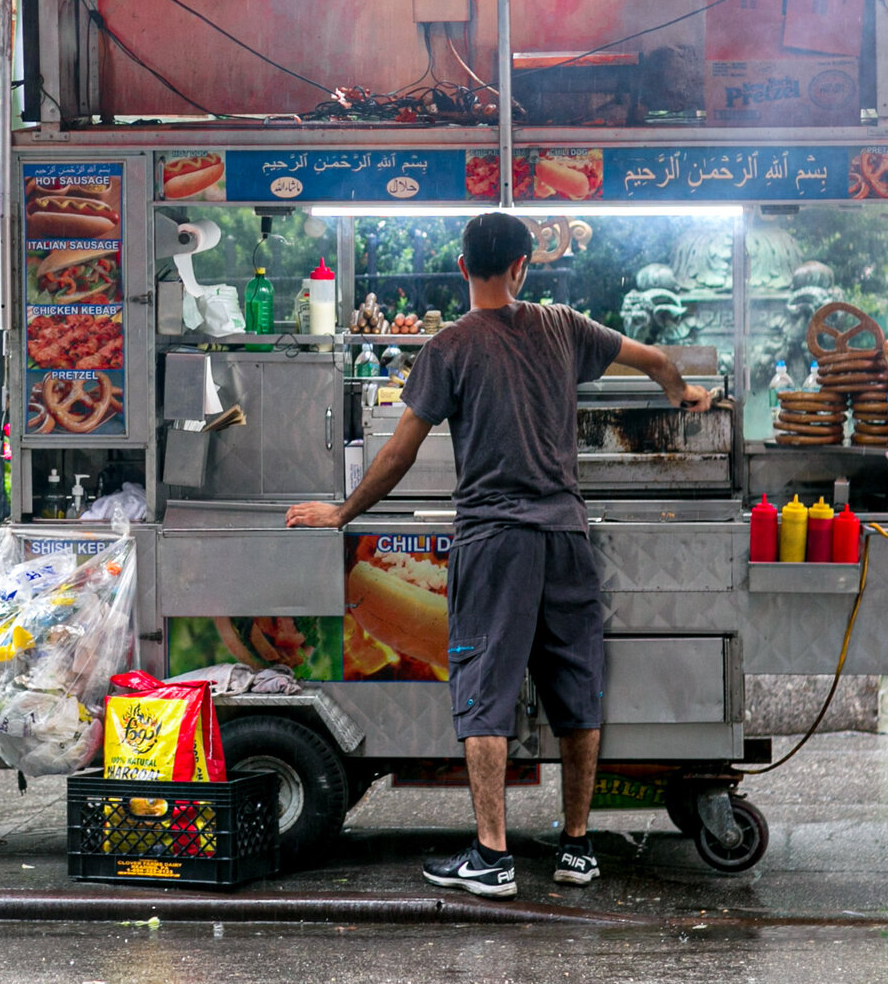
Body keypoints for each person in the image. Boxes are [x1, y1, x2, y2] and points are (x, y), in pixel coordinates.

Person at [286, 212, 714, 899]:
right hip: (566, 538)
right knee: (577, 693)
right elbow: (660, 360)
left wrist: (342, 511)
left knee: (484, 693)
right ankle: (577, 847)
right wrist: (682, 394)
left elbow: (399, 451)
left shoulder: (448, 347)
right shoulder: (564, 326)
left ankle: (492, 855)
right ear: (522, 266)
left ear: (462, 267)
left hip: (496, 540)